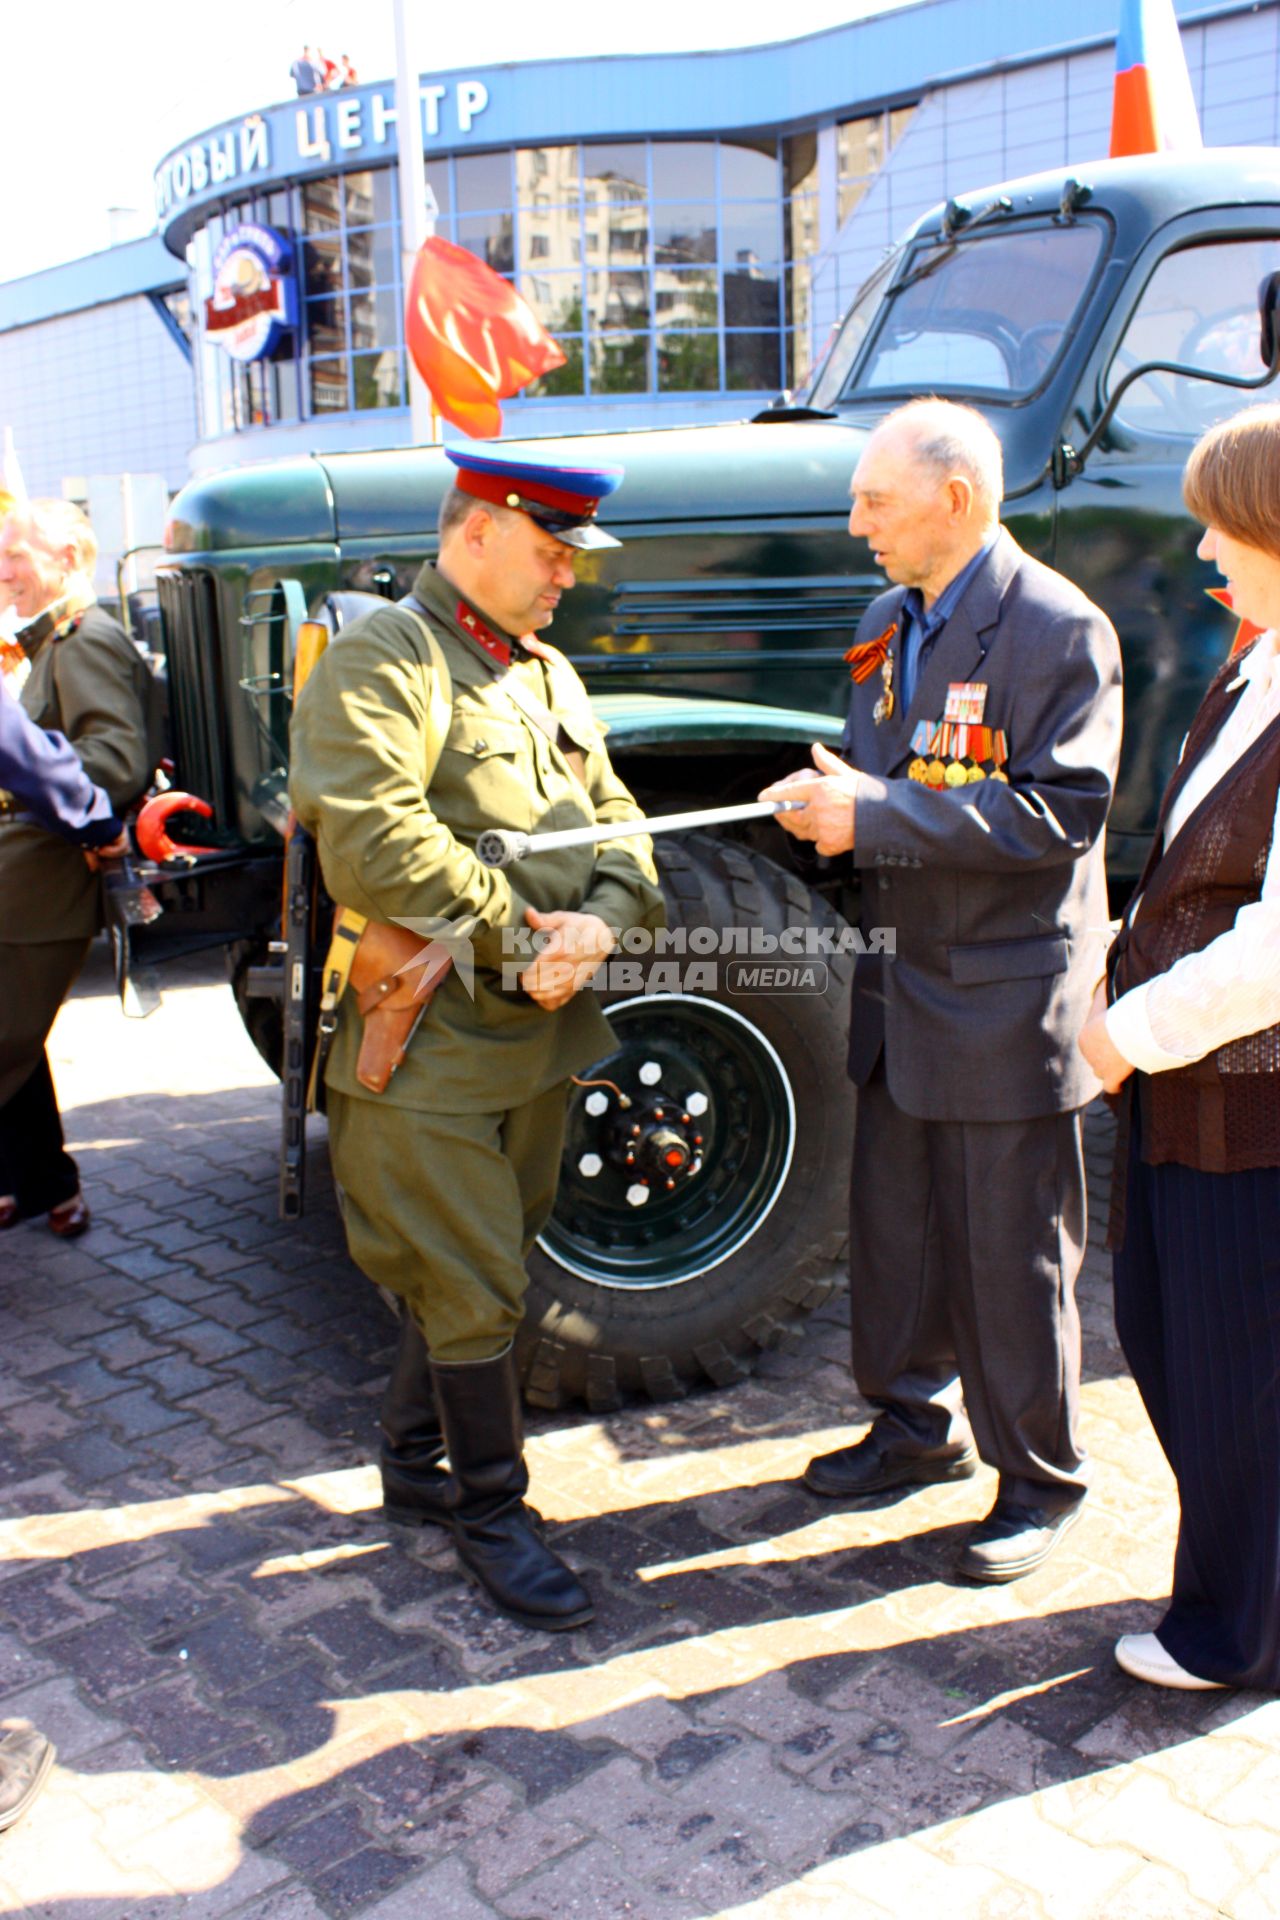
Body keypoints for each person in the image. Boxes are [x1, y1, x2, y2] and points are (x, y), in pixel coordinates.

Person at [290, 449, 663, 1633]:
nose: (566, 576)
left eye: (571, 557)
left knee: (483, 1264)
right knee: (475, 1280)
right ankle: (491, 1510)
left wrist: (596, 929)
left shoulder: (545, 673)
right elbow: (371, 843)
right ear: (479, 532)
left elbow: (622, 828)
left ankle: (411, 1458)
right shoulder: (384, 660)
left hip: (540, 1037)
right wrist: (521, 938)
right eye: (552, 552)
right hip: (429, 1039)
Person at [761, 398, 1122, 1582]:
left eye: (875, 501)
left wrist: (874, 812)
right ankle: (911, 1428)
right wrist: (829, 796)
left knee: (1009, 1252)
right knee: (898, 1234)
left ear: (953, 500)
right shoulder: (884, 618)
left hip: (1002, 996)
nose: (855, 521)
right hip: (898, 985)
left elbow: (1056, 815)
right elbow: (884, 766)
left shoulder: (1058, 630)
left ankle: (1039, 1479)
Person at [1080, 404, 1280, 1692]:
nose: (1202, 548)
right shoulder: (1256, 658)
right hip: (1183, 1093)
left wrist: (1123, 1032)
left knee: (1231, 1381)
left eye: (1223, 524)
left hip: (1237, 1106)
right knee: (1181, 1352)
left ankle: (1236, 1635)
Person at [0, 501, 152, 1238]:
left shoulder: (82, 640)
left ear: (66, 556)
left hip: (38, 888)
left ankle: (43, 1186)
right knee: (14, 1039)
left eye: (16, 556)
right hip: (29, 883)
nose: (3, 573)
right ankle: (39, 1185)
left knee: (7, 1038)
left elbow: (113, 763)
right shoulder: (56, 643)